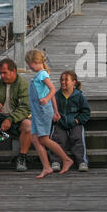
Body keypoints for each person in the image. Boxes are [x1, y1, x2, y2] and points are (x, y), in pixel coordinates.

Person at [25, 49, 73, 179]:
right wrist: (56, 111)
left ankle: (66, 159)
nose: (28, 67)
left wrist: (45, 100)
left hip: (42, 111)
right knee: (35, 139)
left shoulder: (42, 75)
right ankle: (46, 167)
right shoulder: (39, 76)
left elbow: (52, 90)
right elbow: (53, 97)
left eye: (29, 64)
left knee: (44, 139)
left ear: (35, 62)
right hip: (37, 112)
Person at [50, 70, 91, 172]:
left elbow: (86, 112)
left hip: (75, 123)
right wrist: (54, 118)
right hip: (60, 123)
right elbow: (50, 109)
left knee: (77, 138)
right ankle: (55, 161)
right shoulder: (56, 96)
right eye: (62, 80)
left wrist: (77, 120)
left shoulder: (79, 96)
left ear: (73, 82)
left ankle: (82, 161)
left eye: (66, 80)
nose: (63, 82)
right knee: (58, 138)